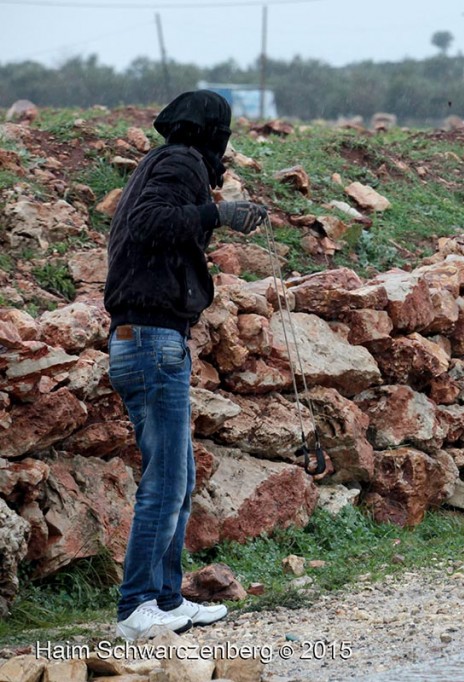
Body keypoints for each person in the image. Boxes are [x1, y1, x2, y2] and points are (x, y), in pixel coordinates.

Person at [104, 90, 268, 641]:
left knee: (180, 474)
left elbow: (158, 230)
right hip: (150, 339)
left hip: (146, 336)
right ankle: (136, 607)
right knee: (166, 480)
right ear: (208, 130)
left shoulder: (163, 161)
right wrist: (216, 214)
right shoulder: (181, 161)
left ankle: (169, 598)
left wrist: (212, 217)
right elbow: (154, 223)